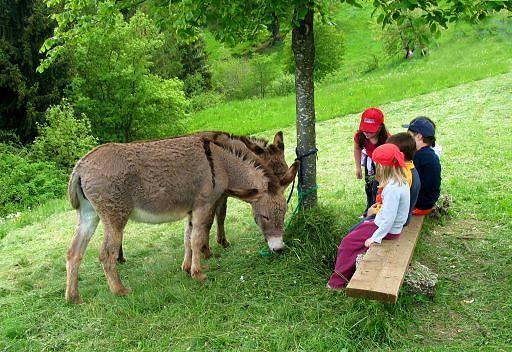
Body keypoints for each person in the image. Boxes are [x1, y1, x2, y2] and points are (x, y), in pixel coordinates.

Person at [328, 144, 410, 289]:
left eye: (377, 163)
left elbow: (389, 218)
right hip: (387, 227)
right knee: (355, 234)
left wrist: (375, 237)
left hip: (386, 230)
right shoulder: (400, 181)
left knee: (348, 243)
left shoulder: (392, 189)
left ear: (383, 167)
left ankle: (338, 282)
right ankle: (347, 270)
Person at [353, 108, 390, 217]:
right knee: (369, 186)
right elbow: (357, 149)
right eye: (365, 129)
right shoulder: (360, 136)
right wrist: (358, 167)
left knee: (378, 188)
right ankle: (368, 210)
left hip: (384, 165)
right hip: (371, 162)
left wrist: (381, 173)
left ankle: (378, 212)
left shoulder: (387, 139)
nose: (366, 132)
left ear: (380, 128)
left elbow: (390, 158)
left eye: (370, 130)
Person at [403, 117, 441, 216]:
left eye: (409, 135)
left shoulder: (419, 156)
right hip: (428, 200)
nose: (407, 138)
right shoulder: (429, 153)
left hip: (421, 204)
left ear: (419, 136)